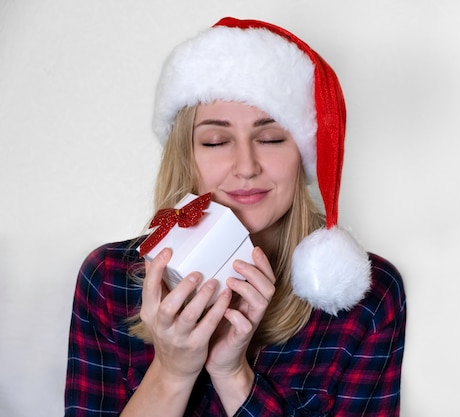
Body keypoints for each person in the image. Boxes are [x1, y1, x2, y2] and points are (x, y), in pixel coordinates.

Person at [64, 17, 406, 417]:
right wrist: (172, 372)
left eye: (271, 138)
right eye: (216, 141)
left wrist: (233, 375)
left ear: (303, 154)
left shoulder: (367, 296)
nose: (246, 166)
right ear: (187, 156)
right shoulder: (108, 279)